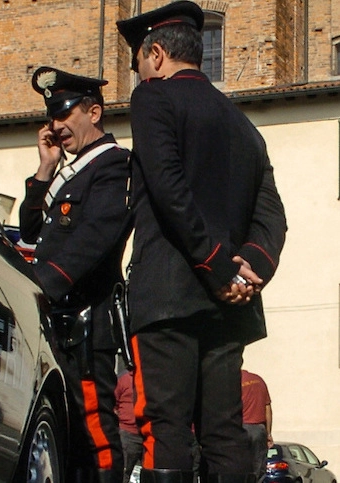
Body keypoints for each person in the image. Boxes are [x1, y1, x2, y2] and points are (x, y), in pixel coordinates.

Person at [115, 2, 287, 482]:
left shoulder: (152, 98)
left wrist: (216, 268)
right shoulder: (242, 123)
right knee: (224, 429)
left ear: (154, 55)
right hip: (231, 303)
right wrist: (247, 270)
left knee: (164, 425)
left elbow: (169, 190)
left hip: (172, 292)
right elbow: (272, 215)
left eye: (139, 63)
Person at [20, 67, 132, 483]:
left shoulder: (114, 164)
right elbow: (31, 231)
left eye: (65, 114)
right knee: (64, 428)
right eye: (52, 117)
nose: (56, 126)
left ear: (94, 112)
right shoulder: (70, 170)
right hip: (58, 319)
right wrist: (45, 168)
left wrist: (41, 287)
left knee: (94, 430)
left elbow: (96, 235)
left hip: (87, 320)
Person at [241, 369, 273, 480]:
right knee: (258, 468)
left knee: (240, 467)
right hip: (259, 429)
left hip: (240, 428)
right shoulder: (259, 381)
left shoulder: (233, 381)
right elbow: (267, 408)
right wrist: (269, 433)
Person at [115, 369, 143, 482]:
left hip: (149, 434)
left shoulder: (152, 379)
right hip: (127, 434)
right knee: (123, 473)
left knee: (150, 474)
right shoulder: (124, 379)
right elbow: (113, 402)